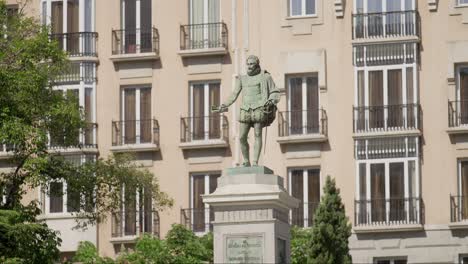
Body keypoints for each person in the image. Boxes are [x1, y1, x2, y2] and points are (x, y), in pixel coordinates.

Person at [212, 55, 280, 166]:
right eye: (248, 64)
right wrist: (224, 105)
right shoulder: (242, 79)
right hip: (245, 109)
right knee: (242, 137)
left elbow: (274, 91)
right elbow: (234, 94)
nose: (249, 66)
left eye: (252, 64)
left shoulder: (265, 77)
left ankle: (255, 162)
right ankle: (246, 160)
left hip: (259, 108)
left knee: (258, 135)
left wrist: (271, 100)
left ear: (257, 64)